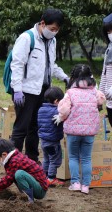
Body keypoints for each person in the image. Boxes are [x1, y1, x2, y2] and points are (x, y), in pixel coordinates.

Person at [10, 8, 69, 162]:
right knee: (21, 128)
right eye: (52, 29)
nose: (54, 32)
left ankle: (32, 159)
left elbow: (51, 65)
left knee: (35, 127)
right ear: (42, 23)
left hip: (43, 91)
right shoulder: (27, 38)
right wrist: (17, 90)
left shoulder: (52, 41)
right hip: (26, 91)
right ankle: (13, 161)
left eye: (57, 30)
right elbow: (17, 65)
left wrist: (65, 77)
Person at [56, 64, 105, 194]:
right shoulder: (95, 92)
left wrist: (60, 117)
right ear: (90, 77)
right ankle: (85, 186)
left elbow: (64, 110)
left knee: (73, 157)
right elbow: (101, 100)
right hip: (90, 131)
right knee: (86, 158)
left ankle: (75, 183)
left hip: (72, 131)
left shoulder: (70, 93)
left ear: (73, 77)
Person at [0, 139, 48, 204]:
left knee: (19, 174)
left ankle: (30, 200)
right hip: (36, 184)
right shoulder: (14, 158)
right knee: (16, 175)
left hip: (40, 190)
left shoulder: (15, 161)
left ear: (4, 154)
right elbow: (8, 177)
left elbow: (8, 180)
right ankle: (26, 197)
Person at [37, 86, 65, 186]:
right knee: (55, 160)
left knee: (46, 159)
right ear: (57, 101)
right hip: (53, 141)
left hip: (43, 140)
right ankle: (51, 178)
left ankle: (44, 177)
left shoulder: (41, 109)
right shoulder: (56, 112)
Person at [99, 13, 112, 126]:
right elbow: (104, 73)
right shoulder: (109, 50)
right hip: (110, 101)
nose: (110, 35)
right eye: (108, 32)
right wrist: (100, 94)